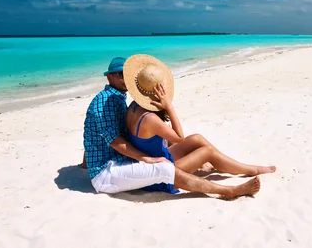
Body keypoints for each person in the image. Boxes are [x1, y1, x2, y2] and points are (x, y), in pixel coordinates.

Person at [82, 56, 261, 198]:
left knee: (194, 140)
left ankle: (239, 168)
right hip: (106, 172)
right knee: (164, 168)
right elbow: (114, 140)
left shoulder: (119, 99)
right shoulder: (105, 101)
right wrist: (148, 159)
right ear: (109, 77)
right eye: (118, 75)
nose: (122, 78)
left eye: (124, 74)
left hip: (118, 160)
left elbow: (98, 133)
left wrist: (86, 161)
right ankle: (228, 191)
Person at [123, 54, 275, 194]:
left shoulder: (133, 107)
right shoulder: (149, 118)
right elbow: (179, 138)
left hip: (158, 158)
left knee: (197, 138)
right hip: (161, 173)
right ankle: (249, 169)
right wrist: (169, 106)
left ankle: (227, 164)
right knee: (207, 151)